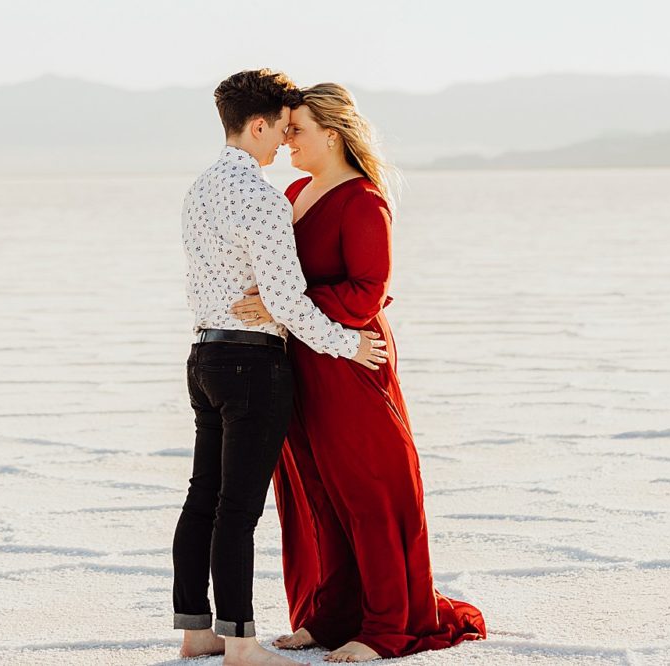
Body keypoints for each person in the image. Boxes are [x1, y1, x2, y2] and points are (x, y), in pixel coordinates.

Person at [229, 82, 486, 662]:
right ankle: (327, 617)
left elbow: (367, 293)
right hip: (298, 361)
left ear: (333, 134)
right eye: (285, 128)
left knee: (367, 491)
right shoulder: (294, 190)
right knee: (315, 492)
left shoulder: (364, 200)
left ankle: (384, 628)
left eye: (297, 129)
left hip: (350, 361)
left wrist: (283, 306)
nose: (287, 138)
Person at [173, 69, 390, 665]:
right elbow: (289, 301)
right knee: (237, 509)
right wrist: (349, 345)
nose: (283, 146)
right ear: (259, 124)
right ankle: (242, 644)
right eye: (281, 131)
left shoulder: (200, 189)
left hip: (204, 355)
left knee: (202, 497)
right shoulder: (263, 198)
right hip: (250, 363)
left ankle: (198, 633)